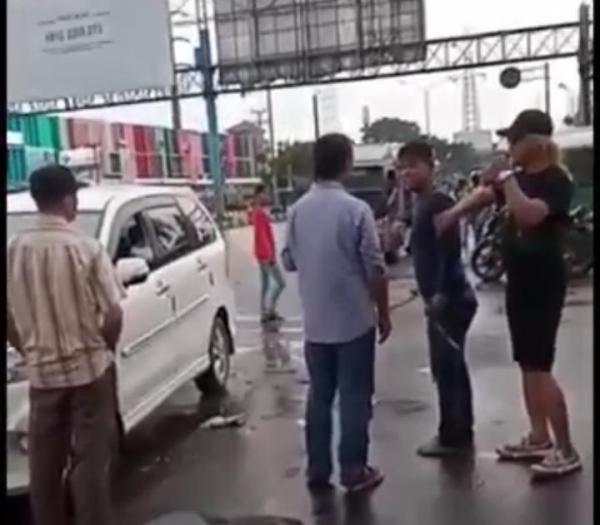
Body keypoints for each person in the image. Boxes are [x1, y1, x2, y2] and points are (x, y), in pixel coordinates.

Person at [435, 109, 581, 479]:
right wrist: (453, 214)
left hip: (542, 280)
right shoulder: (515, 179)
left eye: (514, 141)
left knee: (539, 366)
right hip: (518, 279)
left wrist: (506, 179)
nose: (509, 147)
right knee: (527, 363)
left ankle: (565, 448)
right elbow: (486, 195)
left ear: (536, 144)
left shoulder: (554, 179)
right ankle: (537, 436)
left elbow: (530, 215)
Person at [6, 165, 125, 525]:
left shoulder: (13, 250)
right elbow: (113, 314)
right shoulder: (86, 249)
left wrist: (28, 349)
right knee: (90, 466)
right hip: (89, 373)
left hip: (42, 378)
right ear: (68, 198)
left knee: (44, 469)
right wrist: (103, 348)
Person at [282, 133, 391, 493]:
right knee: (355, 397)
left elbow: (289, 260)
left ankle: (318, 470)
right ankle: (353, 470)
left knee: (320, 396)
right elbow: (375, 268)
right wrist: (384, 312)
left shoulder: (296, 210)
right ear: (347, 163)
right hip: (354, 322)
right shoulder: (356, 210)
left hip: (315, 325)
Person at [396, 141, 478, 457]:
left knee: (446, 367)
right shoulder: (420, 203)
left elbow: (449, 251)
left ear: (432, 167)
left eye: (413, 166)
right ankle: (459, 430)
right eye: (402, 167)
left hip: (450, 299)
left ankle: (452, 436)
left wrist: (441, 293)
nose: (406, 173)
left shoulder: (437, 201)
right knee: (451, 367)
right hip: (443, 297)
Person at [251, 184, 285, 323]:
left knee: (265, 283)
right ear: (259, 194)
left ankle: (264, 311)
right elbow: (261, 235)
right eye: (265, 193)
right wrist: (270, 255)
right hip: (265, 254)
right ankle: (269, 309)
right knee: (280, 283)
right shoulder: (259, 213)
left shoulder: (258, 212)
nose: (267, 196)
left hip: (262, 253)